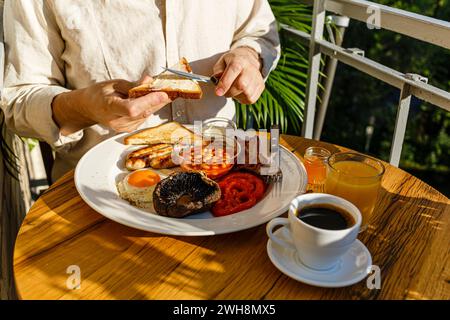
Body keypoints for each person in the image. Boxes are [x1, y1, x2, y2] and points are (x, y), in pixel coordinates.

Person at [1, 0, 280, 180]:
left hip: (225, 182)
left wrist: (248, 56)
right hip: (104, 194)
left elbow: (258, 33)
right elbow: (17, 101)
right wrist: (85, 107)